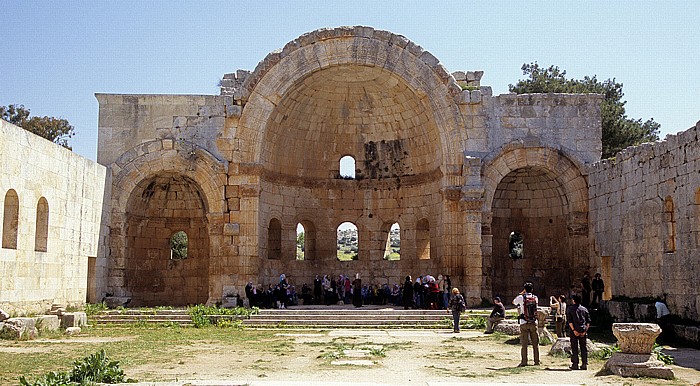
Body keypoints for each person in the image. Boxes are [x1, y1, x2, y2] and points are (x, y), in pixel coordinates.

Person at [512, 282, 539, 367]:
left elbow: (513, 302)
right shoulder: (535, 297)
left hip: (524, 322)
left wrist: (521, 293)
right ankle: (536, 361)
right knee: (535, 343)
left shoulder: (521, 297)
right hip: (533, 322)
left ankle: (524, 362)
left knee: (524, 344)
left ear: (524, 289)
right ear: (532, 289)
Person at [566, 294, 591, 370]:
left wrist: (574, 330)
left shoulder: (570, 309)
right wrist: (585, 331)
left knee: (574, 347)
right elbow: (588, 322)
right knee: (583, 347)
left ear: (574, 300)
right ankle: (584, 364)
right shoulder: (585, 309)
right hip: (583, 330)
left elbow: (570, 321)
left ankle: (575, 364)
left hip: (574, 331)